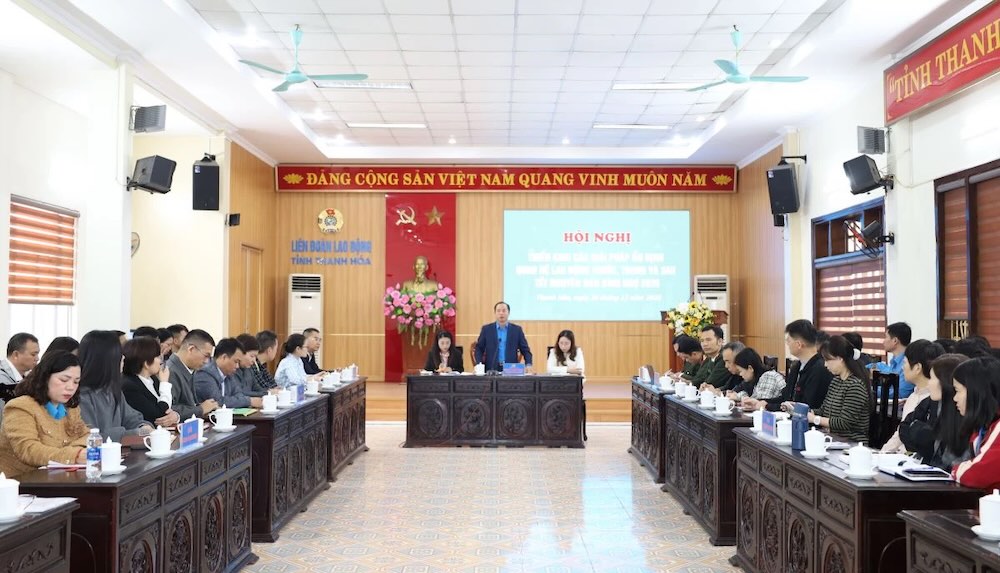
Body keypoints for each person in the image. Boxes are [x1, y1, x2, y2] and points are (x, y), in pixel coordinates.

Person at [0, 351, 89, 477]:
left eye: (76, 382)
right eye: (64, 380)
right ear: (45, 378)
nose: (70, 387)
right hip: (23, 484)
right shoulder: (20, 407)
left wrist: (76, 452)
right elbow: (29, 450)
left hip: (60, 480)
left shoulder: (70, 408)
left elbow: (87, 436)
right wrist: (74, 454)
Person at [77, 330, 153, 441]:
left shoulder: (111, 389)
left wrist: (142, 426)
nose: (123, 358)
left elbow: (132, 418)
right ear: (105, 359)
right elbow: (92, 437)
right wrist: (135, 432)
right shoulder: (82, 396)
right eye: (119, 354)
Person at [899, 354, 969, 469]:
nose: (928, 384)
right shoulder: (934, 404)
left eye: (931, 378)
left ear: (945, 382)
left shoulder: (964, 416)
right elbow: (905, 428)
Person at [745, 319, 832, 412]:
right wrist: (761, 402)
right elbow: (786, 399)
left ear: (799, 344)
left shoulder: (820, 369)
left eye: (788, 341)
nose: (787, 344)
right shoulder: (796, 366)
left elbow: (806, 405)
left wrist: (768, 406)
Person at [881, 340, 945, 453]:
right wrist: (882, 454)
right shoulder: (913, 396)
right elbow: (899, 435)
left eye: (905, 363)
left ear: (917, 368)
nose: (902, 368)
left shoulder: (934, 401)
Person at [806, 335, 871, 443]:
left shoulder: (855, 386)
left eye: (827, 360)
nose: (825, 365)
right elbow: (824, 410)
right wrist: (807, 411)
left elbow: (843, 423)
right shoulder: (836, 381)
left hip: (851, 444)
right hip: (833, 439)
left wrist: (815, 419)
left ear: (840, 359)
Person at [951, 358, 1000, 489]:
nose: (955, 398)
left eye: (958, 390)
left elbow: (974, 475)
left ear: (976, 391)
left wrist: (957, 469)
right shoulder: (984, 427)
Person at [121, 336, 180, 425]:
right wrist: (164, 383)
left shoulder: (152, 379)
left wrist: (176, 416)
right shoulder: (129, 386)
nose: (160, 361)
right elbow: (158, 415)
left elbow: (169, 408)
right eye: (157, 357)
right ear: (146, 364)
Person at [194, 338, 262, 409]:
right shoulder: (205, 374)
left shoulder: (229, 373)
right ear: (224, 357)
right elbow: (218, 401)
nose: (237, 366)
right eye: (236, 361)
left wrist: (240, 400)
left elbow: (239, 394)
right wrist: (249, 401)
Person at [167, 329, 219, 421]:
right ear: (191, 349)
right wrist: (200, 409)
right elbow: (169, 410)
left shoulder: (190, 369)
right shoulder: (170, 371)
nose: (207, 362)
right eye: (206, 356)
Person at [474, 302, 533, 372]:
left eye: (504, 311)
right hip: (491, 369)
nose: (501, 313)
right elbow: (479, 349)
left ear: (508, 313)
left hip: (511, 369)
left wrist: (528, 364)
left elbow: (525, 350)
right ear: (495, 313)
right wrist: (479, 364)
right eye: (498, 311)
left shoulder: (517, 330)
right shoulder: (486, 329)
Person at [869, 322, 912, 397]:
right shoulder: (894, 361)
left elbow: (900, 393)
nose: (883, 341)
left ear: (895, 340)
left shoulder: (907, 363)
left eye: (886, 337)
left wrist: (870, 390)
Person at [1, 333, 40, 402]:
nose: (37, 358)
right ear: (16, 355)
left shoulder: (28, 377)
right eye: (33, 354)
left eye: (37, 354)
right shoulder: (2, 380)